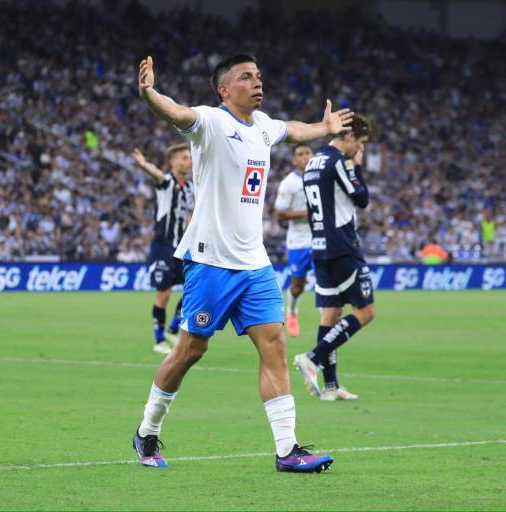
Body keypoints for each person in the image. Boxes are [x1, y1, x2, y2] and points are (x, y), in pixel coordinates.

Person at [132, 53, 354, 472]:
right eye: (246, 77)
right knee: (189, 351)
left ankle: (287, 451)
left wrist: (324, 128)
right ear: (224, 89)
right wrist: (148, 93)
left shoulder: (264, 127)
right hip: (210, 261)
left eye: (259, 76)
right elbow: (175, 111)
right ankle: (147, 431)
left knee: (274, 345)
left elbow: (293, 129)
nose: (257, 82)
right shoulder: (210, 122)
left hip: (254, 263)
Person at [293, 116, 373, 401]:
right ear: (348, 136)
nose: (359, 150)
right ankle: (312, 358)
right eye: (359, 144)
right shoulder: (337, 160)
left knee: (331, 314)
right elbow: (362, 199)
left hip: (319, 245)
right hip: (342, 245)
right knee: (365, 312)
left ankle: (330, 387)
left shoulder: (312, 163)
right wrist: (358, 167)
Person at [132, 144, 194, 354]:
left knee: (194, 287)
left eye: (190, 158)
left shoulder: (190, 188)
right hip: (163, 245)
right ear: (174, 162)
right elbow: (157, 175)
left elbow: (191, 216)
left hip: (182, 246)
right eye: (185, 158)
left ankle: (173, 329)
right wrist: (144, 165)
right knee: (164, 294)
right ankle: (159, 341)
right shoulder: (167, 183)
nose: (189, 161)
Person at [274, 143, 314, 337]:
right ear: (294, 160)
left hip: (321, 238)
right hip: (298, 240)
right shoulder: (289, 183)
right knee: (298, 284)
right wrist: (307, 213)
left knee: (325, 280)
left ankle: (328, 321)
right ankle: (292, 311)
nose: (305, 157)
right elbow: (279, 213)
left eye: (308, 153)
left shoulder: (323, 176)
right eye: (300, 154)